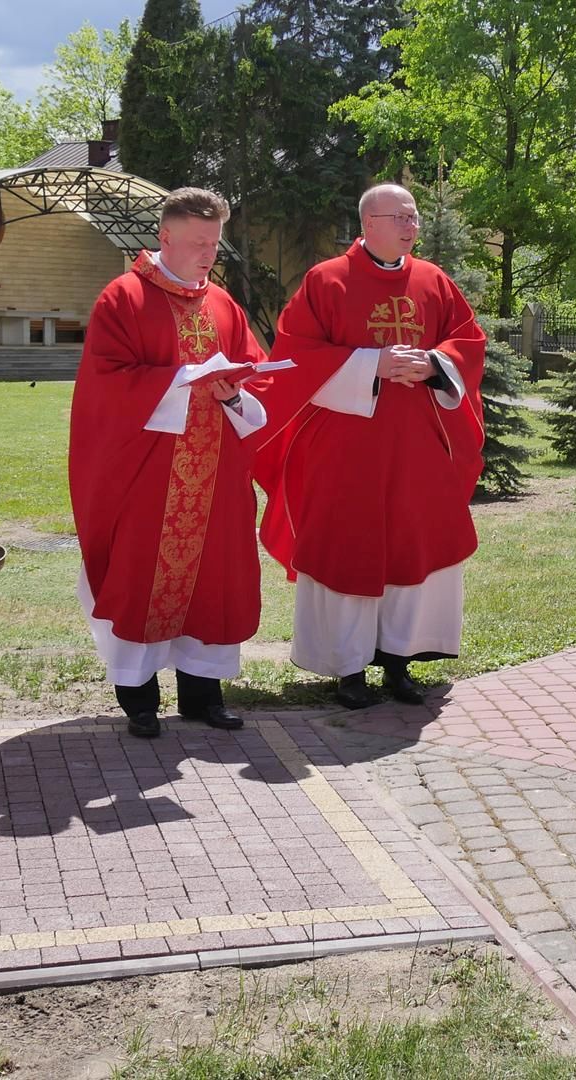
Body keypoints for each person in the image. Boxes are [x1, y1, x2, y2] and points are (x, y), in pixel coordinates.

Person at [252, 183, 485, 709]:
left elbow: (468, 341)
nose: (411, 226)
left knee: (409, 545)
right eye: (400, 217)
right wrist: (369, 364)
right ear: (368, 223)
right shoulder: (326, 280)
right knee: (349, 549)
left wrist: (434, 364)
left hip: (415, 448)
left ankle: (400, 661)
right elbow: (294, 356)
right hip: (346, 449)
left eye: (414, 216)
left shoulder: (433, 280)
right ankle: (348, 669)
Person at [69, 187, 268, 739]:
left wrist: (232, 393)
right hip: (149, 476)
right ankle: (138, 697)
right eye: (198, 242)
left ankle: (203, 694)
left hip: (215, 476)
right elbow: (106, 384)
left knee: (212, 582)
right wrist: (183, 379)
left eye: (215, 243)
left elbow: (254, 373)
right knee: (141, 578)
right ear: (165, 236)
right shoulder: (123, 298)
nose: (208, 254)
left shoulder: (223, 304)